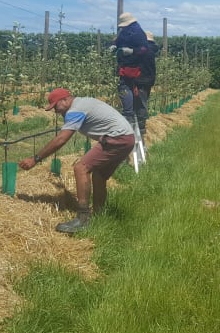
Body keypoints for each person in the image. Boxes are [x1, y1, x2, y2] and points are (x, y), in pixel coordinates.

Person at [19, 88, 135, 233]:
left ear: (66, 100)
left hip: (117, 138)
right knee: (98, 175)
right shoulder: (82, 103)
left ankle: (82, 218)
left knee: (81, 168)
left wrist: (35, 159)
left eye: (56, 106)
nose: (56, 111)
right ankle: (99, 216)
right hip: (127, 137)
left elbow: (61, 139)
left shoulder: (75, 110)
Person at [112, 12, 149, 128]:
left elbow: (144, 49)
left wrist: (132, 51)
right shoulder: (124, 32)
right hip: (124, 66)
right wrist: (114, 45)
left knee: (126, 88)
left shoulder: (138, 33)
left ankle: (129, 115)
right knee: (125, 87)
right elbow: (117, 42)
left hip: (135, 67)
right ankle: (129, 114)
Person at [134, 30, 160, 139]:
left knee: (140, 105)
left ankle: (140, 128)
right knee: (143, 102)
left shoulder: (144, 51)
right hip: (148, 81)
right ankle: (141, 127)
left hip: (140, 81)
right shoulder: (152, 50)